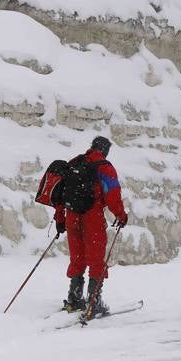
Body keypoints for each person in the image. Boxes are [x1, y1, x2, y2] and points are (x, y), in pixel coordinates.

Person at [57, 135, 128, 315]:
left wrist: (60, 219)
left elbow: (60, 193)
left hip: (72, 215)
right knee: (96, 259)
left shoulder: (74, 162)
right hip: (92, 217)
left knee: (77, 257)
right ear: (105, 150)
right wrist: (121, 215)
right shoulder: (104, 167)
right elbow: (112, 195)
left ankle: (74, 299)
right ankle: (93, 302)